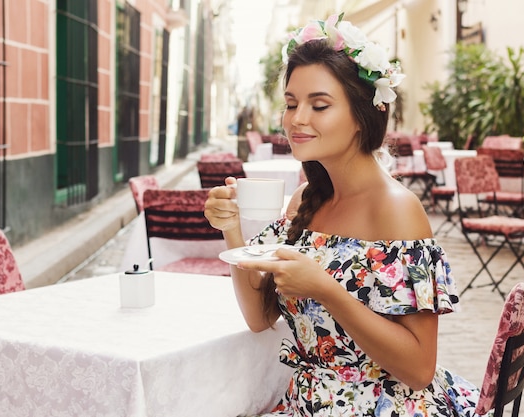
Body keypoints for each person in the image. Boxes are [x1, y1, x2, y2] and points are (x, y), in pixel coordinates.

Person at [204, 12, 483, 417]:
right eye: (291, 103)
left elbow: (419, 370)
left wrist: (327, 290)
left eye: (319, 105)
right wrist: (231, 230)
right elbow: (260, 317)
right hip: (308, 403)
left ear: (361, 116)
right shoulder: (305, 199)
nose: (297, 119)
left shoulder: (397, 209)